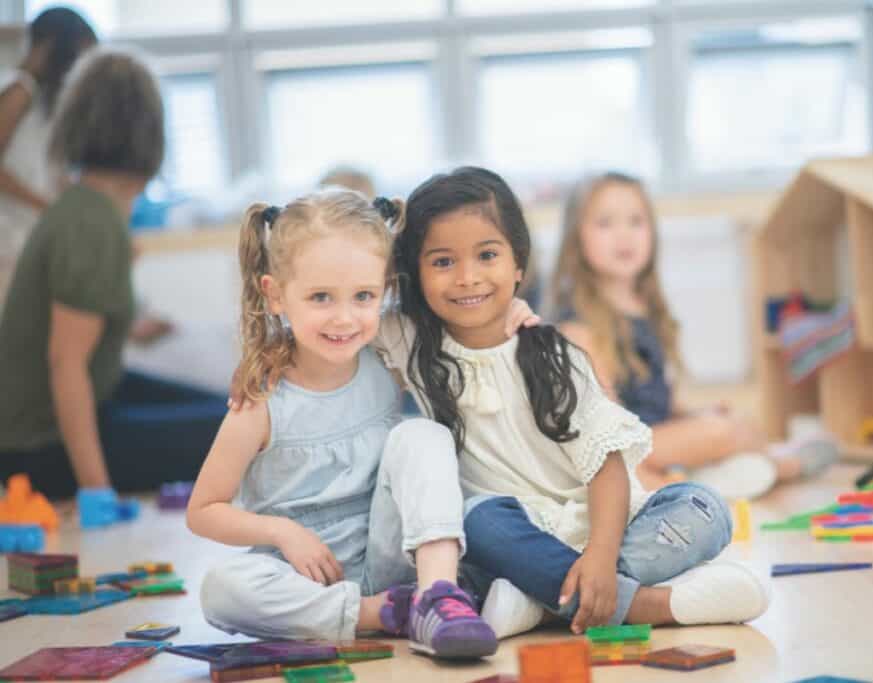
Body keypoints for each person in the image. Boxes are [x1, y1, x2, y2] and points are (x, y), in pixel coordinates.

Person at [375, 167, 771, 640]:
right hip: (511, 536)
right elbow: (347, 294)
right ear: (413, 273)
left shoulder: (552, 352)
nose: (467, 277)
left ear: (519, 264)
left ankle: (543, 601)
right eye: (441, 262)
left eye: (487, 255)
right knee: (471, 521)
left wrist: (601, 559)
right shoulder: (410, 340)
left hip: (602, 529)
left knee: (706, 508)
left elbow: (606, 463)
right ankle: (642, 603)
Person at [190, 189, 499, 658]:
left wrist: (513, 310)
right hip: (305, 576)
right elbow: (203, 510)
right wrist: (282, 533)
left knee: (421, 434)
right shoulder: (260, 403)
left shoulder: (386, 356)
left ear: (384, 290)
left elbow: (466, 323)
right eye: (319, 297)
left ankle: (439, 595)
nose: (344, 318)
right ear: (275, 295)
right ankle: (382, 613)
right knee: (221, 588)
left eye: (363, 296)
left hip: (394, 551)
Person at [0, 48, 224, 499]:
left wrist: (135, 327)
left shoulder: (86, 206)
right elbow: (66, 366)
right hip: (37, 449)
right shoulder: (92, 223)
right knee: (236, 429)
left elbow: (79, 328)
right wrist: (96, 491)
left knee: (234, 412)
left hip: (82, 405)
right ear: (149, 133)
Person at [551, 172, 837, 499]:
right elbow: (604, 433)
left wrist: (693, 414)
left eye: (636, 222)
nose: (624, 236)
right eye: (605, 223)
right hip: (620, 450)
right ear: (576, 238)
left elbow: (657, 399)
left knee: (735, 422)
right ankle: (782, 465)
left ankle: (706, 480)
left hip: (651, 442)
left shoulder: (645, 308)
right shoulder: (578, 329)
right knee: (722, 433)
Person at [0, 7, 96, 306]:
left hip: (28, 235)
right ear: (52, 47)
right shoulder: (19, 90)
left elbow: (42, 169)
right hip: (10, 237)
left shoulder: (40, 101)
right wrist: (46, 206)